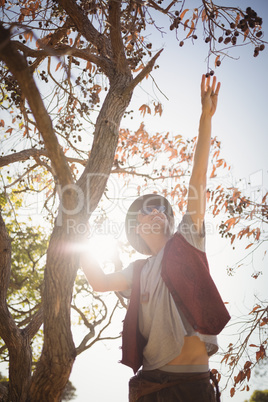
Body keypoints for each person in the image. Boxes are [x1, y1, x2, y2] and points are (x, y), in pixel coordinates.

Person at [81, 75, 230, 401]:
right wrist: (77, 233)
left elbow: (199, 177)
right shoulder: (137, 271)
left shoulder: (187, 240)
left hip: (194, 386)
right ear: (137, 229)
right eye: (148, 210)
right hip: (151, 386)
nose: (158, 210)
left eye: (162, 208)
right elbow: (99, 281)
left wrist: (205, 118)